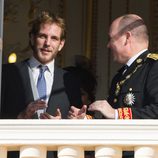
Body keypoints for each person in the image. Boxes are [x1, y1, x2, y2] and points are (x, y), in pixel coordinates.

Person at [68, 14, 158, 157]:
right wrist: (85, 120)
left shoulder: (154, 67)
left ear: (127, 37)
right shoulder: (121, 75)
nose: (108, 45)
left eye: (111, 38)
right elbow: (109, 122)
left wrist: (116, 113)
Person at [1, 11, 82, 119]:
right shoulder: (6, 73)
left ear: (61, 44)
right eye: (42, 36)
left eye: (54, 38)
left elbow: (77, 122)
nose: (47, 43)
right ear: (32, 38)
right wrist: (20, 117)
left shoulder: (70, 81)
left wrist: (62, 125)